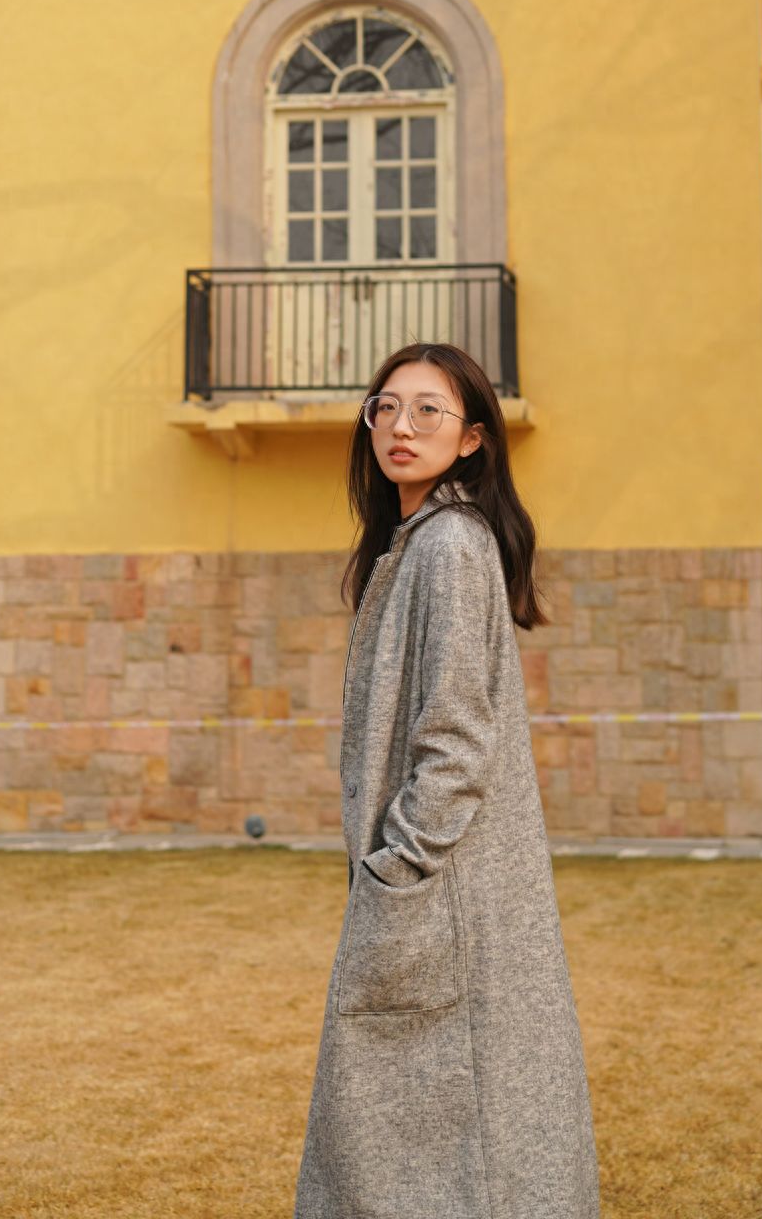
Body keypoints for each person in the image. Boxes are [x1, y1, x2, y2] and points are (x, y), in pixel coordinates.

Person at [293, 341, 601, 1219]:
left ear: (472, 439)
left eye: (429, 410)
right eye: (385, 407)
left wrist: (401, 866)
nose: (401, 425)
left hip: (446, 892)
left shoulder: (451, 547)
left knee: (434, 1134)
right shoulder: (419, 542)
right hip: (441, 893)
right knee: (440, 1130)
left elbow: (458, 739)